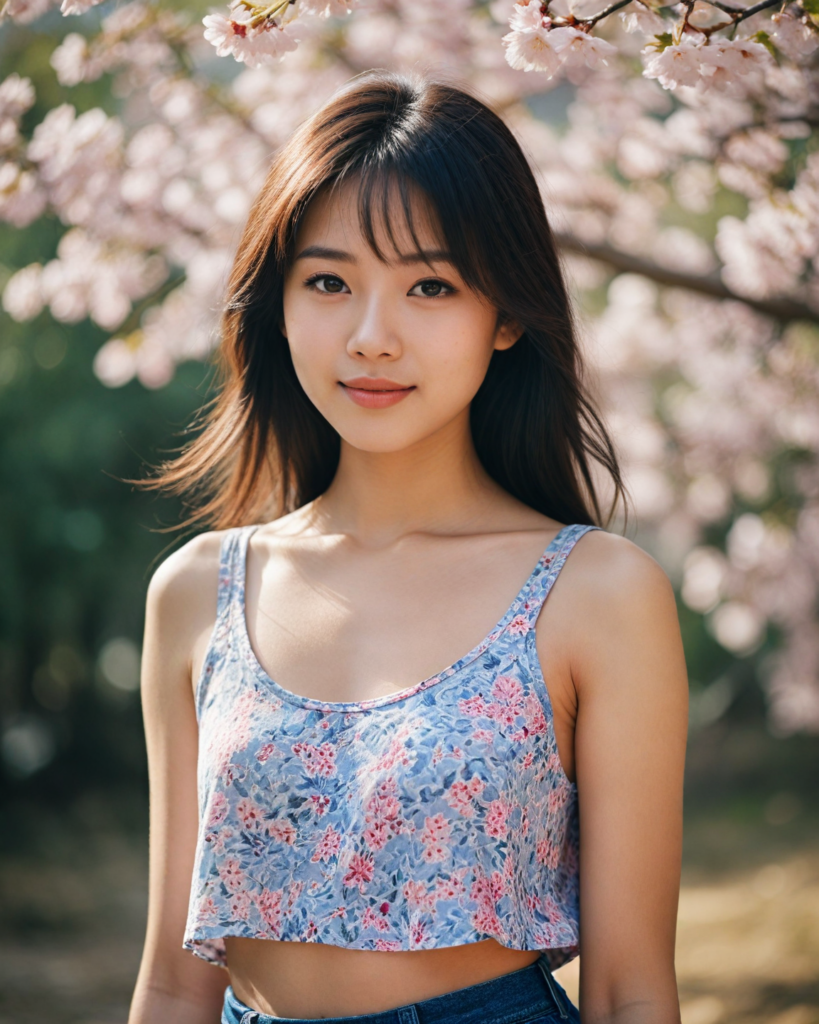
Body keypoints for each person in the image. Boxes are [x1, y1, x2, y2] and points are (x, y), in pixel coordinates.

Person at [127, 71, 689, 1024]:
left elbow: (629, 992)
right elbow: (175, 980)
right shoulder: (197, 590)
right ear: (278, 305)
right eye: (328, 282)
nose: (371, 337)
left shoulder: (595, 593)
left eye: (430, 285)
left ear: (505, 314)